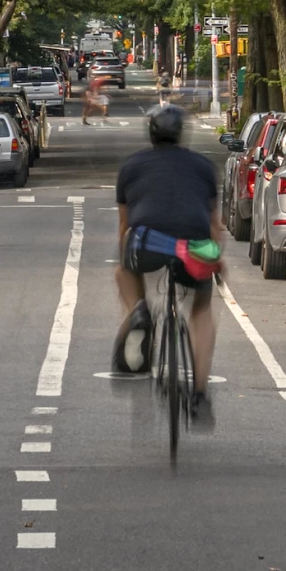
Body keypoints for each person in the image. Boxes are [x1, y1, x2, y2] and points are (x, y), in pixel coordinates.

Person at [112, 103, 225, 400]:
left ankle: (139, 311)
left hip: (147, 242)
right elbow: (215, 226)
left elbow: (125, 225)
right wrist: (218, 260)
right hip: (194, 248)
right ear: (181, 134)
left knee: (124, 269)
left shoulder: (131, 166)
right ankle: (199, 390)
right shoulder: (203, 167)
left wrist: (124, 261)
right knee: (201, 308)